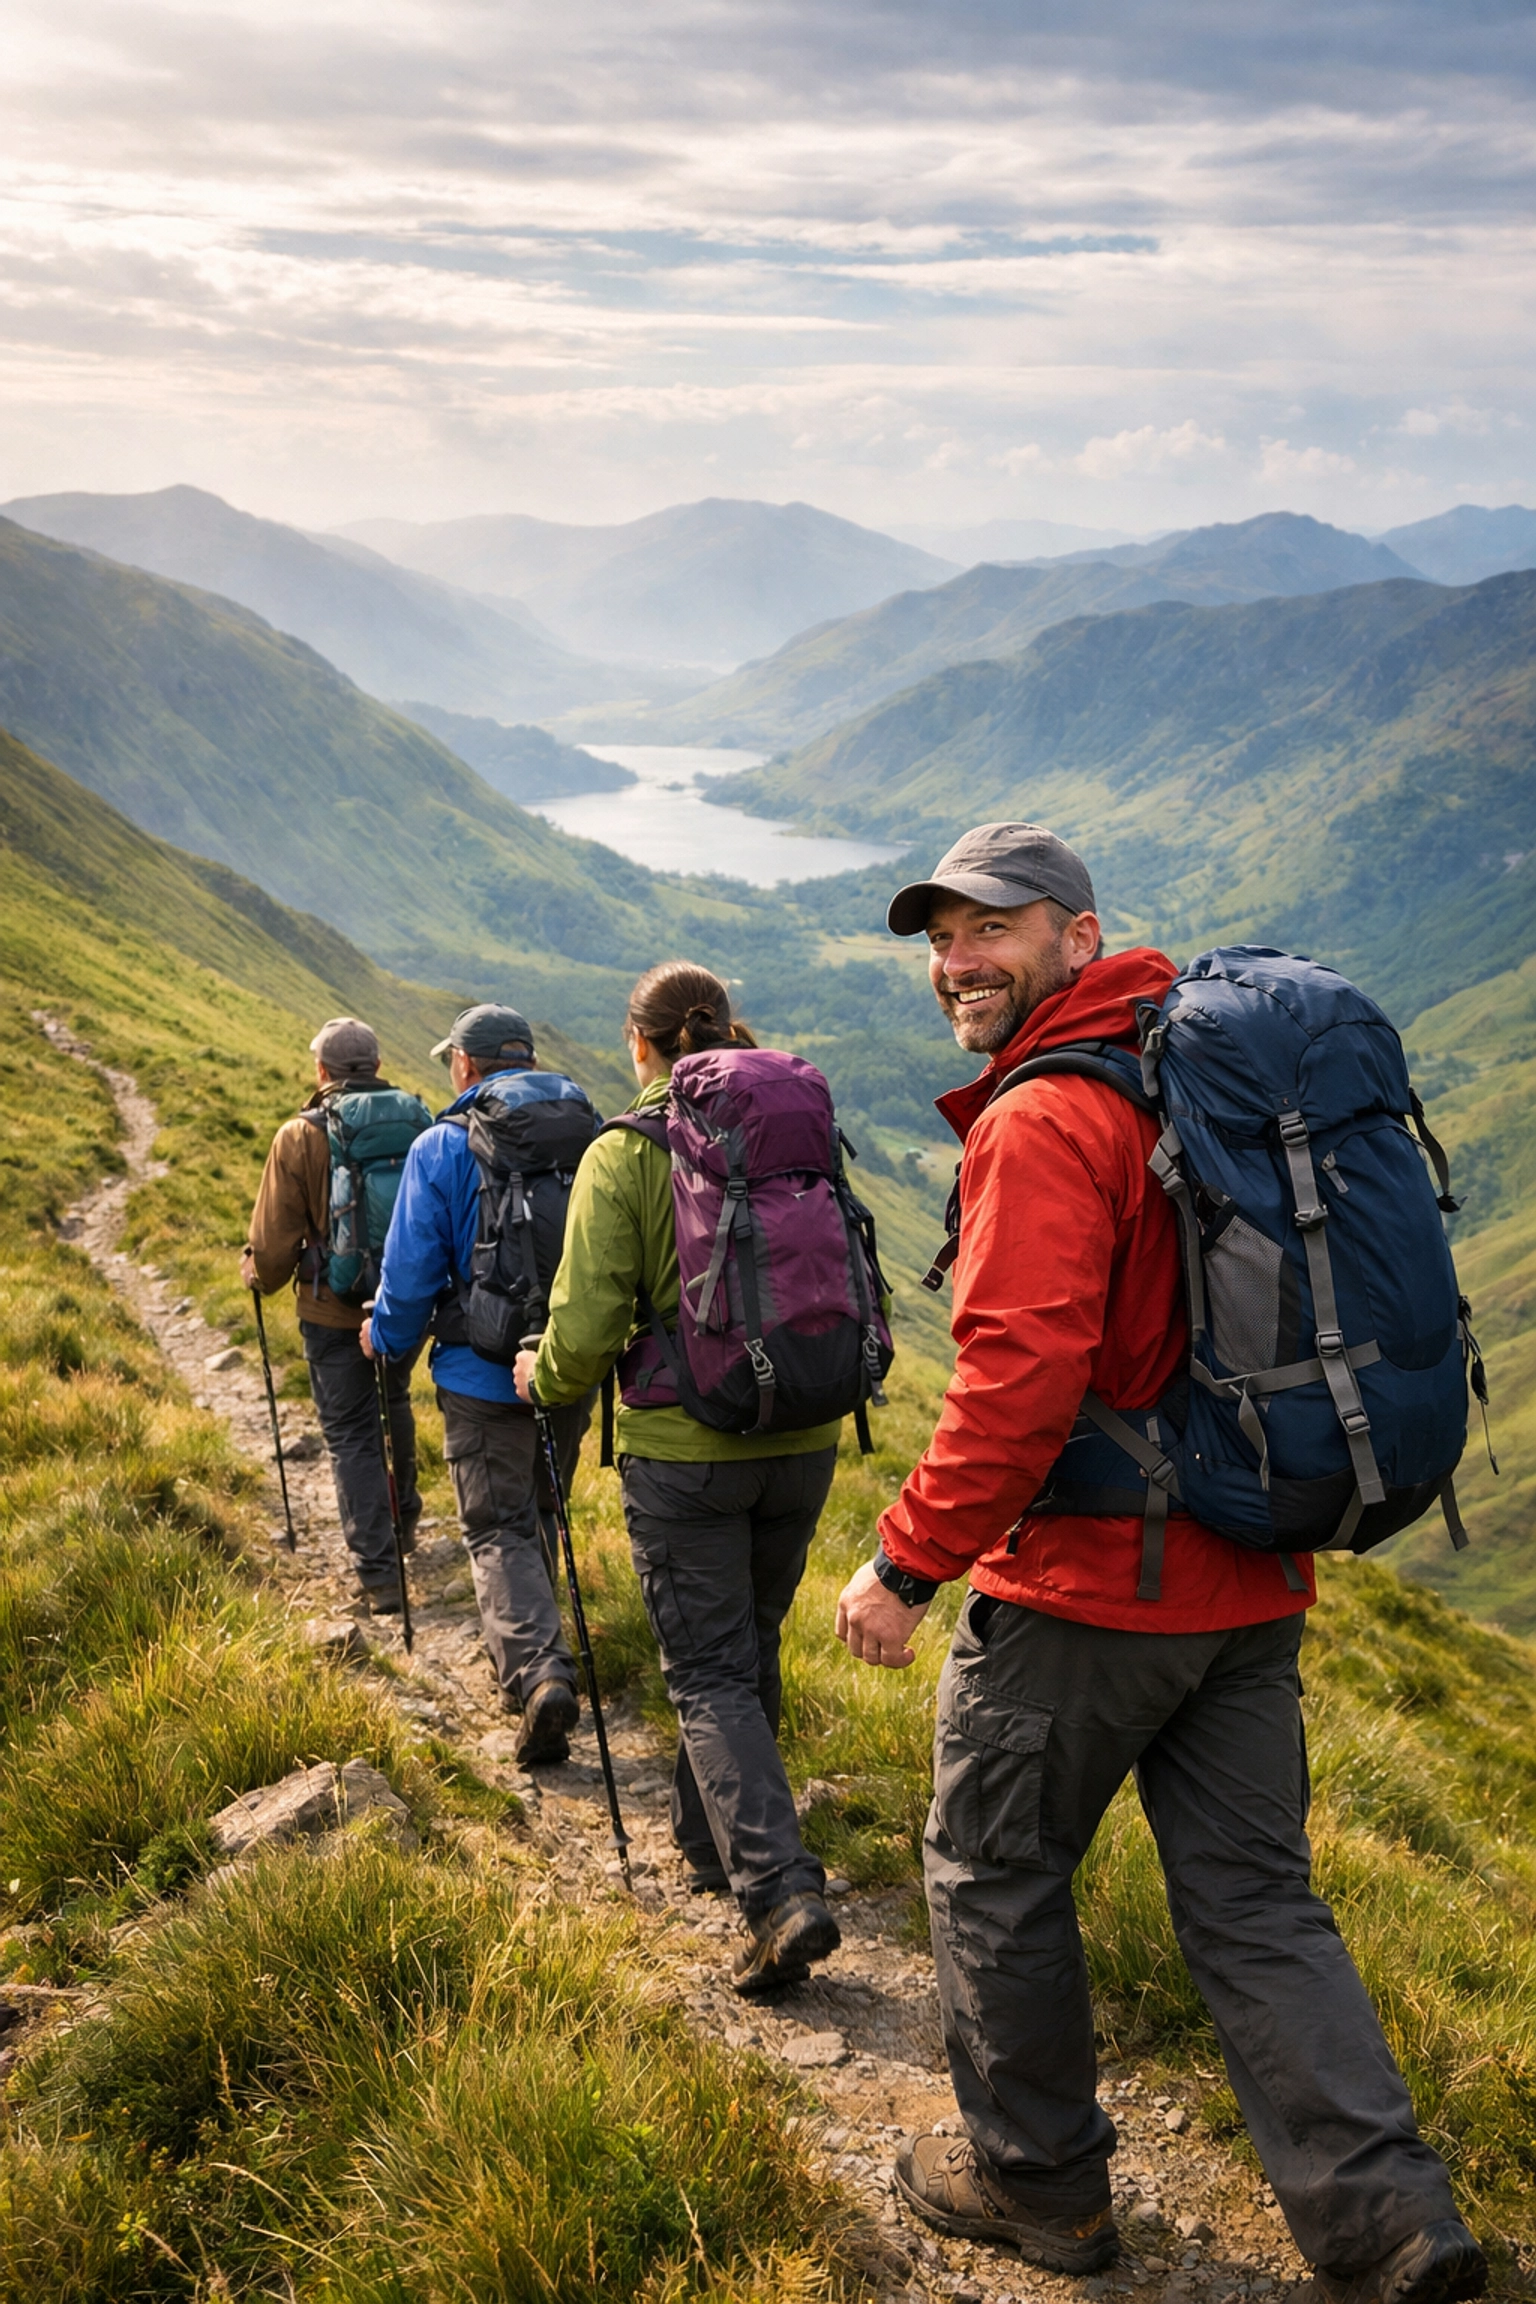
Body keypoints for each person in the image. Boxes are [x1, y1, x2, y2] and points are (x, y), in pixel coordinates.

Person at [834, 825, 1486, 2304]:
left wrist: (906, 1563)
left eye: (989, 929)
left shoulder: (1047, 1118)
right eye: (938, 939)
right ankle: (1390, 2225)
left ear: (1077, 934)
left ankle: (1038, 2188)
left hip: (1082, 1595)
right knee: (1261, 1905)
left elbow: (1017, 1386)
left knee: (993, 1873)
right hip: (1252, 1585)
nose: (956, 963)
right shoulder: (1191, 1067)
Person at [513, 962, 843, 1996]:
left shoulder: (625, 1154)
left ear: (639, 1040)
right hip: (802, 1432)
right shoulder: (789, 1127)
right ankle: (716, 1848)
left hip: (685, 1452)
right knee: (748, 1645)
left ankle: (779, 1893)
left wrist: (542, 1375)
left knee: (706, 1673)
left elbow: (587, 1325)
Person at [360, 1003, 594, 1764]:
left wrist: (386, 1340)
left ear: (465, 1066)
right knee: (541, 1506)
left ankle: (535, 1674)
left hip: (478, 1372)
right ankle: (539, 1648)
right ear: (525, 1059)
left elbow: (411, 1270)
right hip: (565, 1367)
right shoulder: (589, 1132)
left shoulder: (442, 1147)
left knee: (496, 1526)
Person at [243, 1015, 421, 1612]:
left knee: (351, 1434)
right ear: (374, 1065)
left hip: (333, 1307)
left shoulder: (300, 1135)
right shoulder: (417, 1117)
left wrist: (259, 1277)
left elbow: (272, 1243)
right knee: (393, 1401)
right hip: (401, 1304)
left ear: (322, 1071)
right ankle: (406, 1522)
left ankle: (378, 1573)